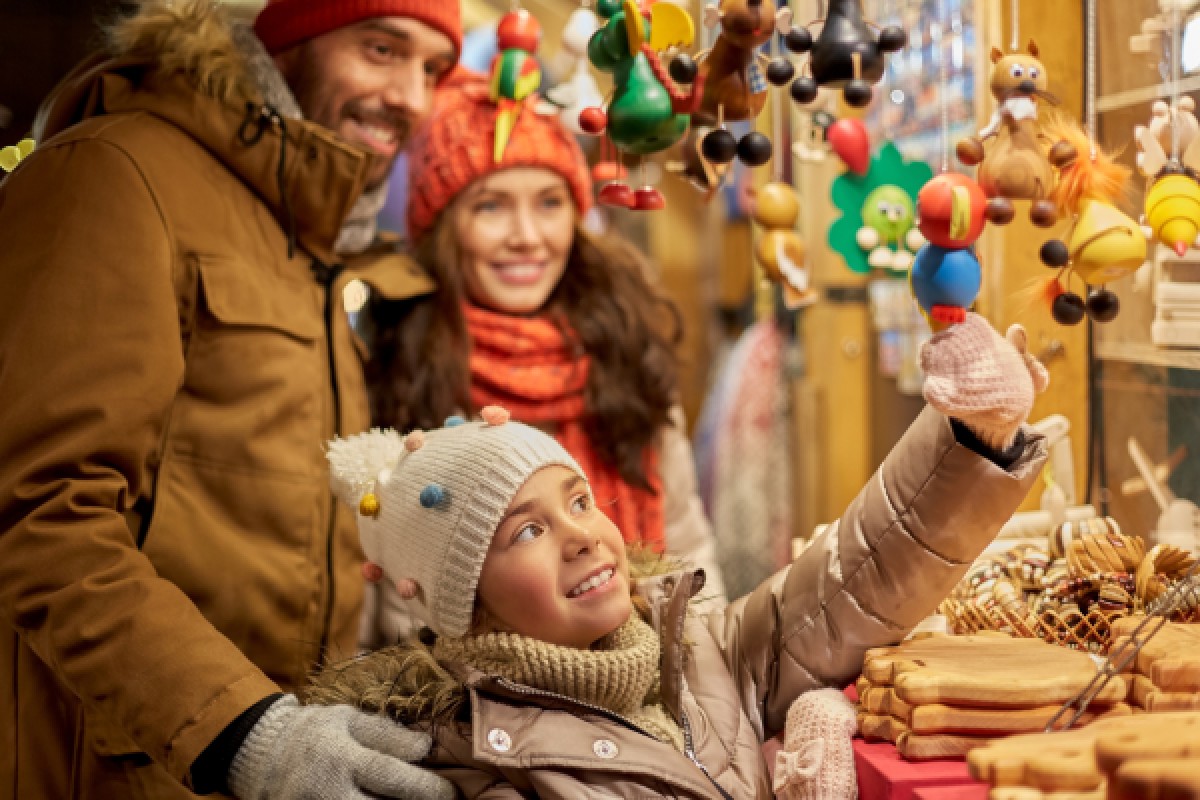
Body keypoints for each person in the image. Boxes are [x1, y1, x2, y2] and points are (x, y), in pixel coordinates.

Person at [0, 0, 464, 797]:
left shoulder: (304, 233)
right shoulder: (114, 172)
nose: (414, 99)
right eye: (381, 48)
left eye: (433, 68)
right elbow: (40, 509)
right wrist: (245, 731)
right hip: (123, 767)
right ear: (287, 42)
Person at [311, 311, 1050, 798]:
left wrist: (969, 438)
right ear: (464, 605)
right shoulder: (487, 768)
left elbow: (852, 581)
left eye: (577, 501)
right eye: (525, 533)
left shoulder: (701, 652)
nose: (578, 535)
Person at [362, 71, 727, 645]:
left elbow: (685, 545)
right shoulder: (401, 370)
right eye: (491, 207)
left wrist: (705, 680)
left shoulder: (621, 345)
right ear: (442, 227)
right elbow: (400, 614)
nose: (528, 236)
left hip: (655, 679)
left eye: (550, 202)